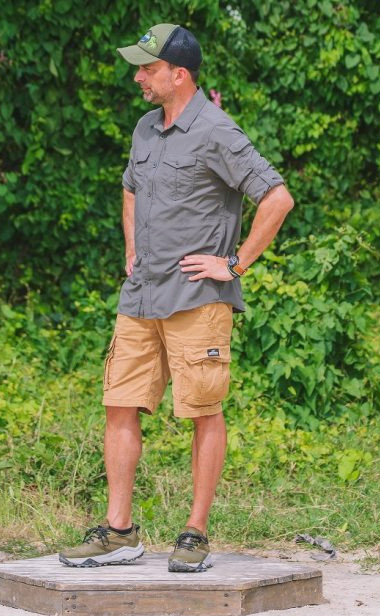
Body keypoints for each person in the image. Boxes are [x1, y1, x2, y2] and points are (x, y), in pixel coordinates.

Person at [58, 23, 294, 573]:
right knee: (119, 404)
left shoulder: (217, 131)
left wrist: (234, 263)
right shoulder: (146, 127)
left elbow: (277, 199)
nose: (138, 77)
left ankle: (194, 532)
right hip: (141, 295)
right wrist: (131, 247)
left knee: (203, 410)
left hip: (197, 299)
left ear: (179, 74)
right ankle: (118, 532)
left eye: (148, 68)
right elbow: (130, 188)